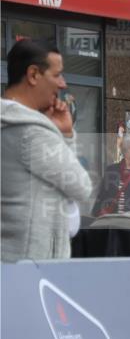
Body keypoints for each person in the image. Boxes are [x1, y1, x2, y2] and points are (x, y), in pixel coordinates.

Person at [1, 39, 92, 262]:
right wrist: (66, 137)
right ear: (33, 75)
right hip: (34, 268)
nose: (62, 84)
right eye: (57, 74)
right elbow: (81, 186)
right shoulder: (31, 131)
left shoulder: (9, 123)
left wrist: (61, 132)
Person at [91, 134, 130, 216]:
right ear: (125, 151)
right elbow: (102, 195)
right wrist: (95, 215)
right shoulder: (111, 170)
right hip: (114, 221)